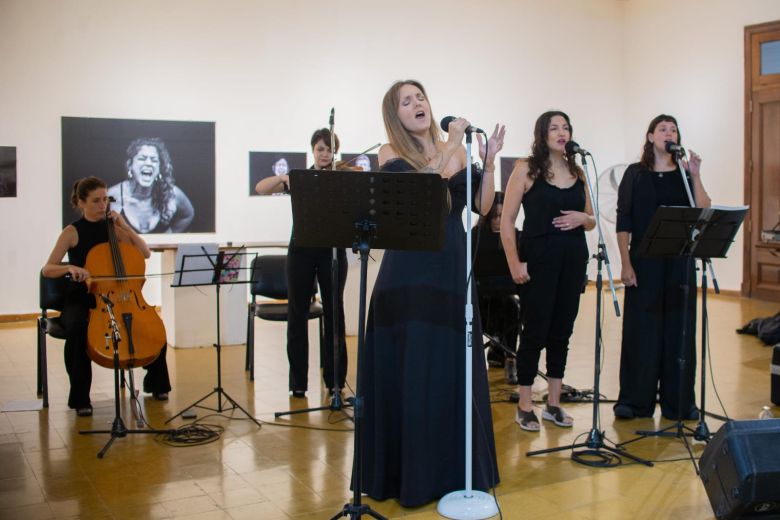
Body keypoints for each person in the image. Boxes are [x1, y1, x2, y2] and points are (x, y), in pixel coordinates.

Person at [359, 79, 505, 507]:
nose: (417, 103)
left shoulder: (457, 151)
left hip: (450, 267)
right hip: (406, 271)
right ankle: (409, 475)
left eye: (420, 96)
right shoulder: (390, 154)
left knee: (450, 365)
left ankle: (454, 471)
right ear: (396, 115)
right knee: (413, 366)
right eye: (407, 101)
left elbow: (481, 204)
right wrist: (453, 143)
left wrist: (489, 162)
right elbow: (423, 195)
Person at [42, 176, 171, 416]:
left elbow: (144, 253)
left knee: (153, 328)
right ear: (81, 203)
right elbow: (48, 268)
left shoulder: (115, 228)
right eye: (96, 201)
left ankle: (157, 384)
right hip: (84, 297)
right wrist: (70, 268)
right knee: (78, 330)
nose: (103, 205)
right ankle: (80, 398)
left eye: (105, 200)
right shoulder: (72, 232)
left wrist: (125, 226)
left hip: (123, 295)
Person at [500, 111, 595, 432]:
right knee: (535, 332)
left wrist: (583, 220)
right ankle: (526, 404)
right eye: (554, 127)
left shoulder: (578, 171)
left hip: (573, 259)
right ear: (542, 135)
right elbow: (506, 221)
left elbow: (591, 217)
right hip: (539, 259)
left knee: (561, 332)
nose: (562, 132)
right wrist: (514, 262)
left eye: (566, 127)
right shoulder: (527, 169)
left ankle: (554, 404)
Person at [613, 114, 711, 420]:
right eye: (663, 129)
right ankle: (635, 401)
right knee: (642, 332)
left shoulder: (683, 175)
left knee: (678, 332)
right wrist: (625, 263)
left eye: (674, 130)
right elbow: (624, 218)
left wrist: (695, 175)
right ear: (651, 136)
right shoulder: (635, 174)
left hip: (679, 263)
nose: (669, 133)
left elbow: (704, 210)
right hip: (644, 262)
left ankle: (679, 403)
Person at [255, 128, 348, 397]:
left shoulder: (341, 179)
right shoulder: (301, 178)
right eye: (320, 148)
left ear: (335, 152)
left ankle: (335, 382)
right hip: (301, 251)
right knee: (297, 314)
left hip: (332, 250)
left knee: (334, 314)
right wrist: (286, 177)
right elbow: (261, 188)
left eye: (329, 149)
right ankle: (298, 383)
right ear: (313, 150)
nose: (325, 153)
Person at [474, 192, 520, 385]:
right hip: (479, 295)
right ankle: (480, 359)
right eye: (495, 216)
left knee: (512, 308)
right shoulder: (474, 237)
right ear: (487, 216)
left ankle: (509, 357)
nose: (499, 221)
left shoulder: (515, 236)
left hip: (505, 294)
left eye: (503, 216)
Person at [108, 137, 195, 234]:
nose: (149, 163)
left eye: (154, 160)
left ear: (159, 168)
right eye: (142, 158)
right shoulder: (112, 196)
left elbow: (188, 214)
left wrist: (170, 235)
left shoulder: (172, 194)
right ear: (130, 165)